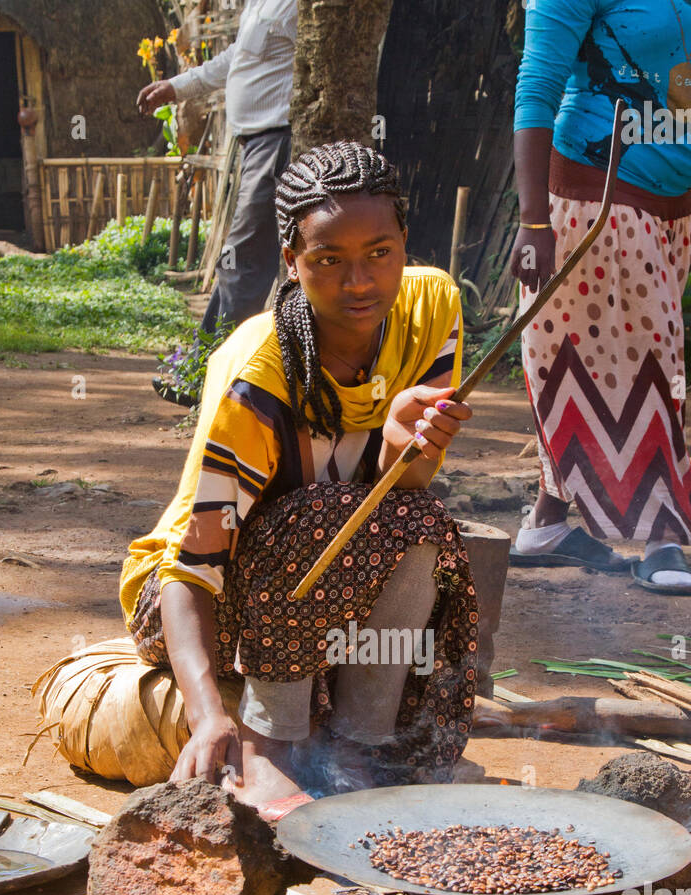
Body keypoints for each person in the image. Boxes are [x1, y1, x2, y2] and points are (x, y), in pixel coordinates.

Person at [120, 142, 477, 821]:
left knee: (423, 521)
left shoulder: (431, 309)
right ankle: (267, 746)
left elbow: (399, 496)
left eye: (380, 252)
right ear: (292, 262)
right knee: (319, 514)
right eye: (328, 260)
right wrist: (205, 717)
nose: (360, 281)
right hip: (202, 607)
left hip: (321, 609)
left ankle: (357, 749)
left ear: (405, 243)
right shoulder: (261, 375)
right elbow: (192, 569)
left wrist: (402, 452)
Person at [509, 0, 691, 594]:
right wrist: (534, 222)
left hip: (676, 210)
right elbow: (536, 88)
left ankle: (546, 523)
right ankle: (661, 539)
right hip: (596, 203)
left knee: (607, 362)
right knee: (651, 364)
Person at [138, 0, 298, 406]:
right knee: (239, 259)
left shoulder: (302, 7)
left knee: (242, 259)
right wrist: (176, 87)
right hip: (254, 143)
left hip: (277, 139)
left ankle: (214, 378)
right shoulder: (261, 4)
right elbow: (233, 59)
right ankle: (204, 371)